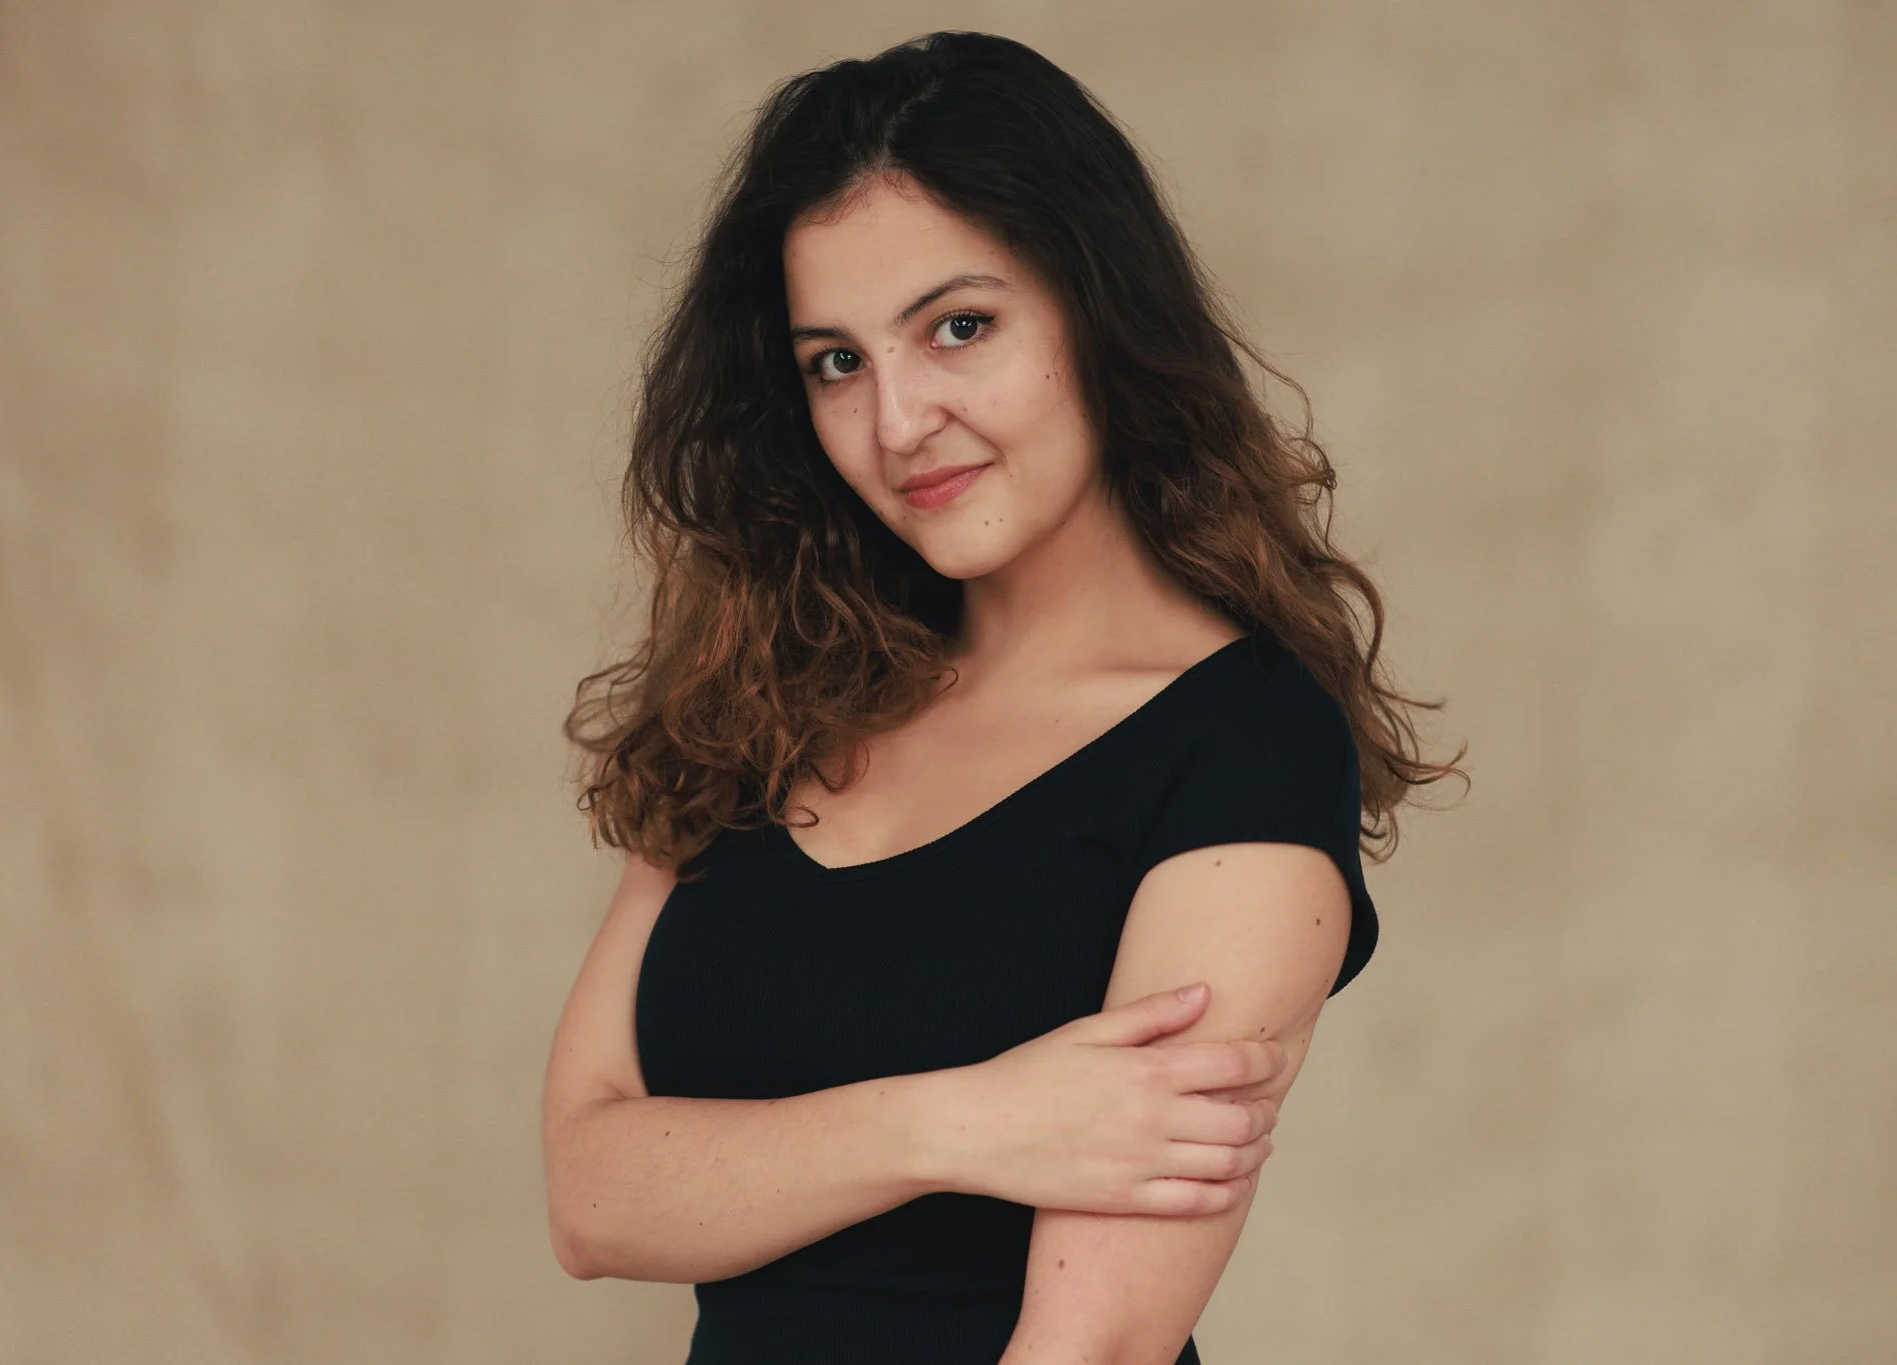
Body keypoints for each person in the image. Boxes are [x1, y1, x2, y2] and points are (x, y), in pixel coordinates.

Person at [543, 29, 1463, 1365]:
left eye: (957, 328)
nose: (897, 418)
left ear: (1098, 314)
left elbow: (1093, 1349)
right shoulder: (774, 693)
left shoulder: (1245, 745)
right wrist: (963, 1122)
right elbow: (590, 1194)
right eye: (836, 362)